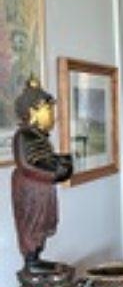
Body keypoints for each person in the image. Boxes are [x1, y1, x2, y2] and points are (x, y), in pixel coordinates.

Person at [11, 77, 73, 270]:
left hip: (42, 189)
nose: (53, 116)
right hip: (30, 189)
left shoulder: (40, 137)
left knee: (43, 224)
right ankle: (31, 260)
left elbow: (44, 158)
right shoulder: (23, 136)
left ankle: (37, 257)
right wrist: (52, 175)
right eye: (49, 111)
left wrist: (60, 161)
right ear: (33, 112)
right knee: (32, 225)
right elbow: (26, 165)